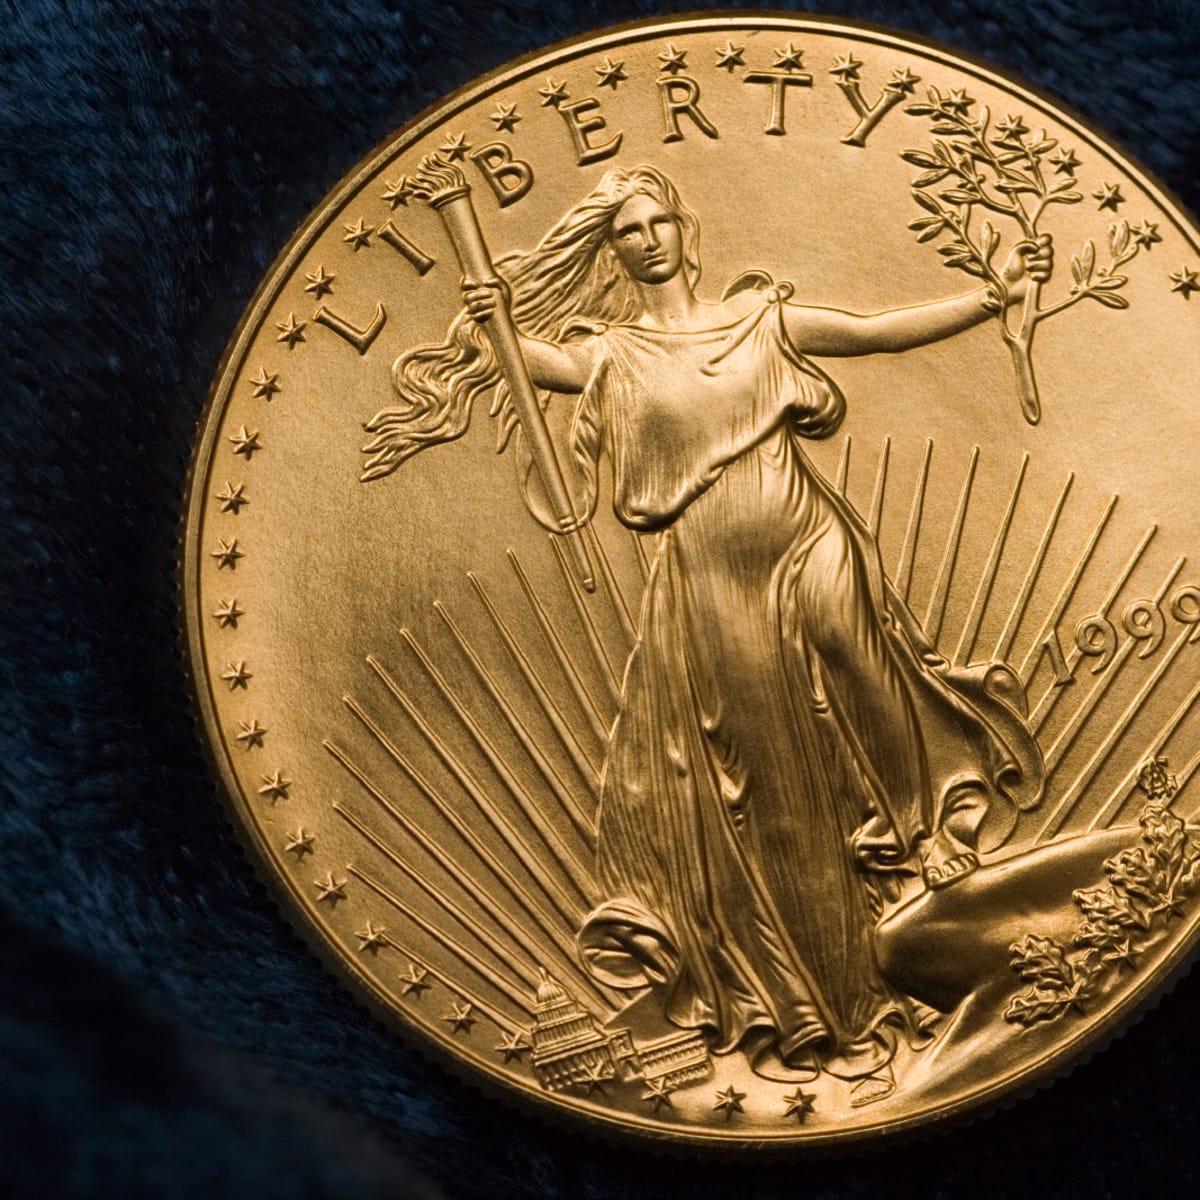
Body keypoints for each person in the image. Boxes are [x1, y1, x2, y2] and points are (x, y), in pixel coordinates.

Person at [365, 165, 1050, 1102]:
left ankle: (925, 835)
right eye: (629, 231)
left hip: (808, 531)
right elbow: (536, 363)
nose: (647, 240)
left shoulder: (759, 319)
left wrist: (991, 297)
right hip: (710, 576)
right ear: (615, 252)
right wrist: (491, 320)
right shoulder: (613, 353)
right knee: (769, 772)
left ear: (685, 230)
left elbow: (874, 331)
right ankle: (832, 996)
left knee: (865, 664)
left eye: (658, 222)